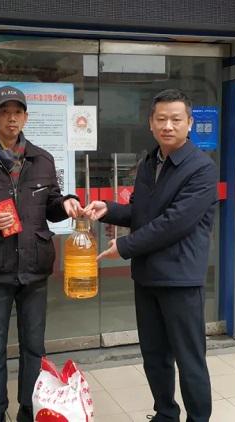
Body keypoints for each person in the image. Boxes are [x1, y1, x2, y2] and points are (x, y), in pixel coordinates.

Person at [84, 89, 217, 422]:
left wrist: (125, 248)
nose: (168, 126)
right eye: (161, 119)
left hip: (180, 278)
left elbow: (174, 224)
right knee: (155, 356)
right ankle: (165, 413)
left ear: (189, 123)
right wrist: (110, 209)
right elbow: (143, 213)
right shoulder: (150, 162)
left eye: (175, 119)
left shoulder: (201, 169)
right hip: (147, 277)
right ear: (151, 123)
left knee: (189, 359)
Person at [0, 85, 82, 422]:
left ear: (25, 116)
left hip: (35, 269)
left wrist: (66, 203)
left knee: (33, 347)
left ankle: (29, 408)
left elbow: (52, 206)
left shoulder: (42, 159)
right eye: (4, 111)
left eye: (18, 111)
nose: (12, 117)